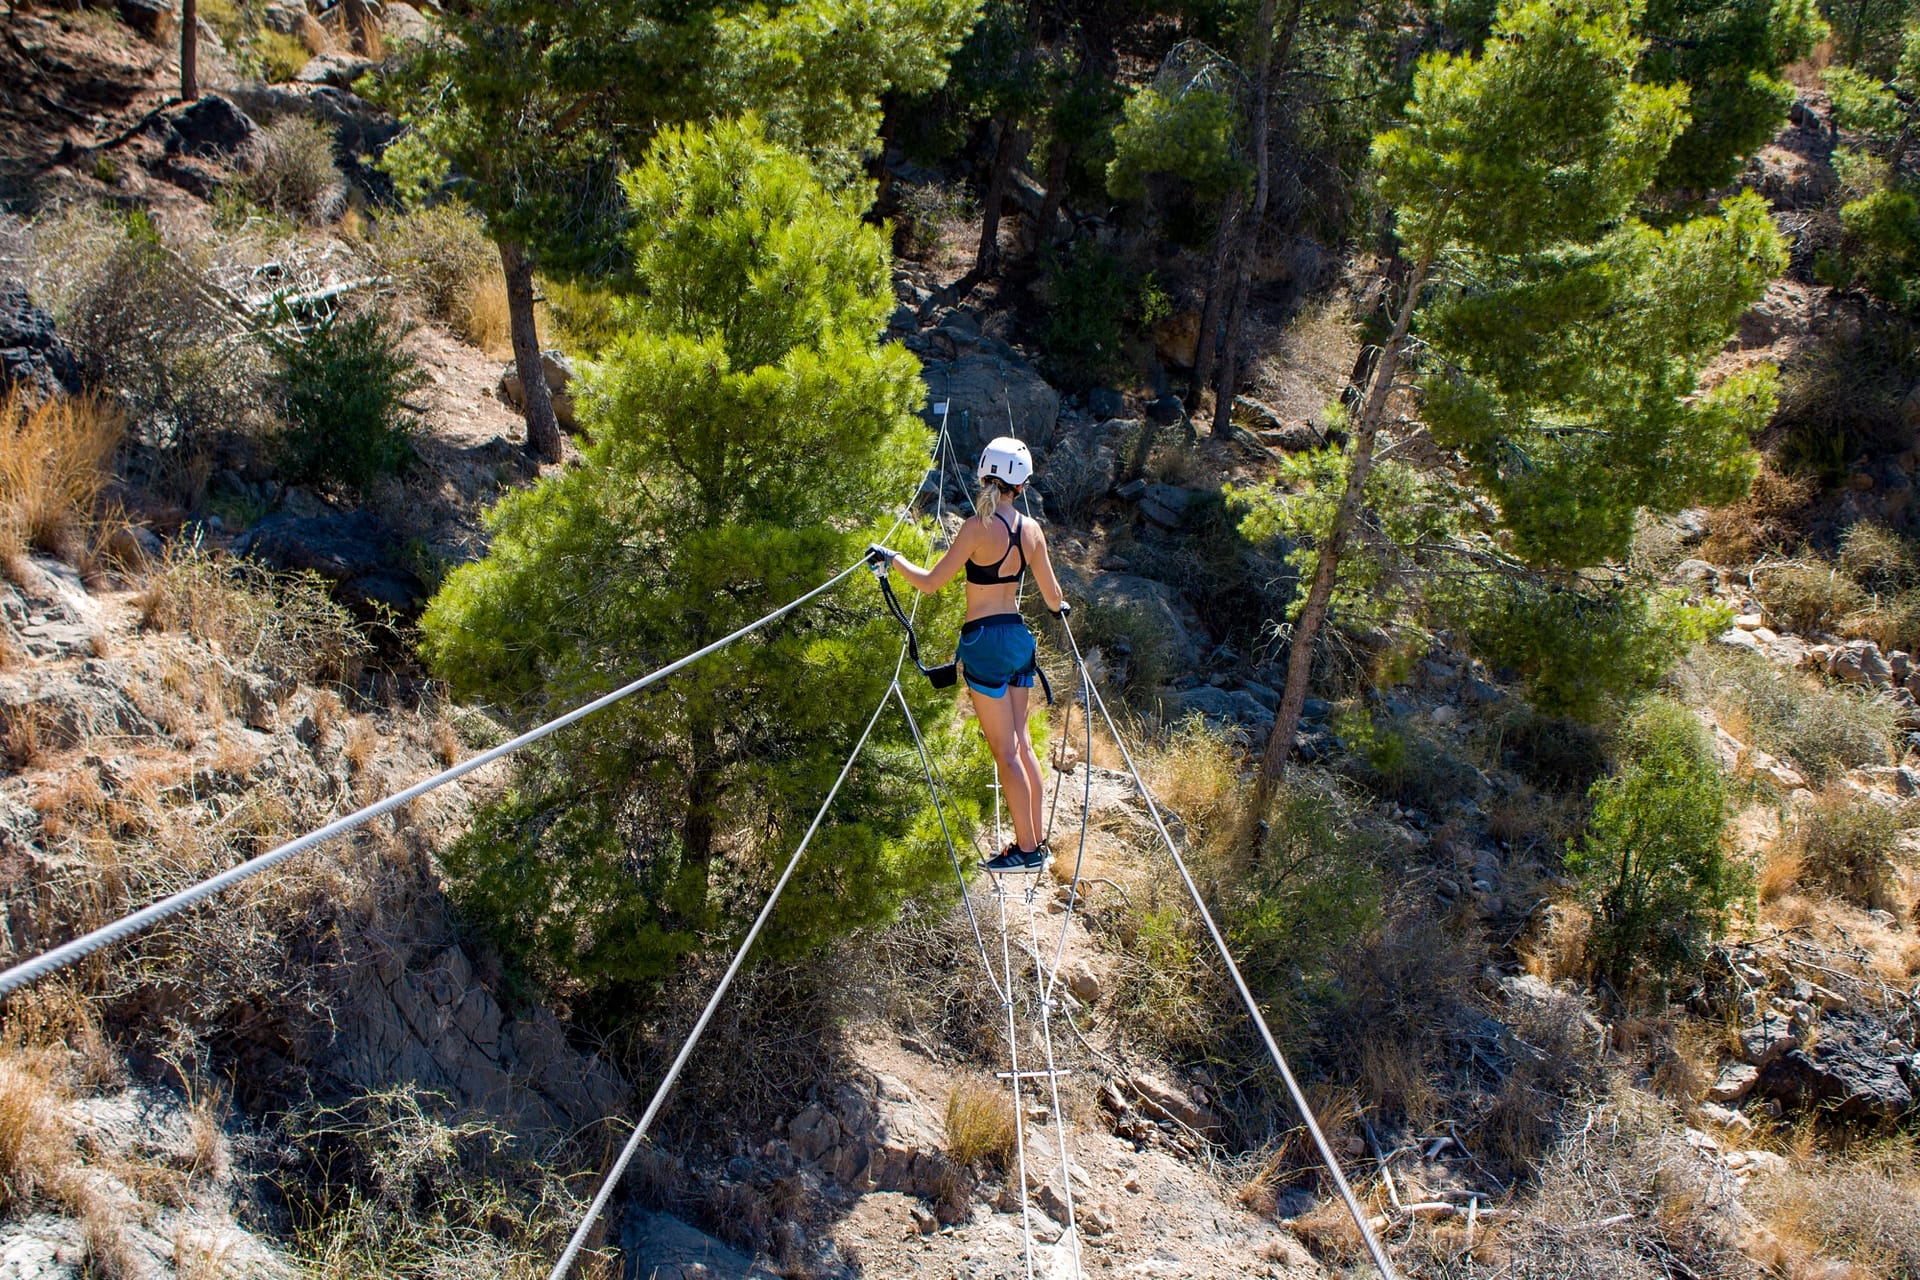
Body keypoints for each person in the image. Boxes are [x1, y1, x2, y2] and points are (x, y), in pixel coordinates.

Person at [871, 437, 1068, 872]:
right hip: (1019, 639)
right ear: (1021, 483)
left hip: (984, 641)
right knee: (1022, 745)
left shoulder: (977, 526)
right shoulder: (1032, 532)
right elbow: (1054, 598)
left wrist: (893, 558)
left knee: (1006, 752)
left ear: (984, 474)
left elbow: (930, 582)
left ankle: (1026, 850)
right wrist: (1061, 610)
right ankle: (1037, 841)